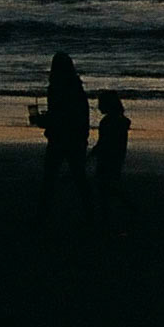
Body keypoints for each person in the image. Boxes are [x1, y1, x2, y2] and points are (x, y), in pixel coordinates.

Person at [37, 51, 92, 221]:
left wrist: (44, 121)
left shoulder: (56, 89)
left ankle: (44, 214)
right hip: (74, 139)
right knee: (78, 177)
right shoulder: (76, 88)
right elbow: (79, 115)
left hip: (60, 138)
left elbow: (59, 116)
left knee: (50, 178)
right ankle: (90, 212)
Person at [91, 92, 132, 224]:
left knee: (104, 188)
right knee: (108, 186)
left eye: (100, 104)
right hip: (117, 156)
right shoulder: (121, 121)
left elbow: (104, 141)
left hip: (107, 157)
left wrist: (95, 151)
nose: (98, 107)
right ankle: (123, 206)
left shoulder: (107, 122)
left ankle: (107, 216)